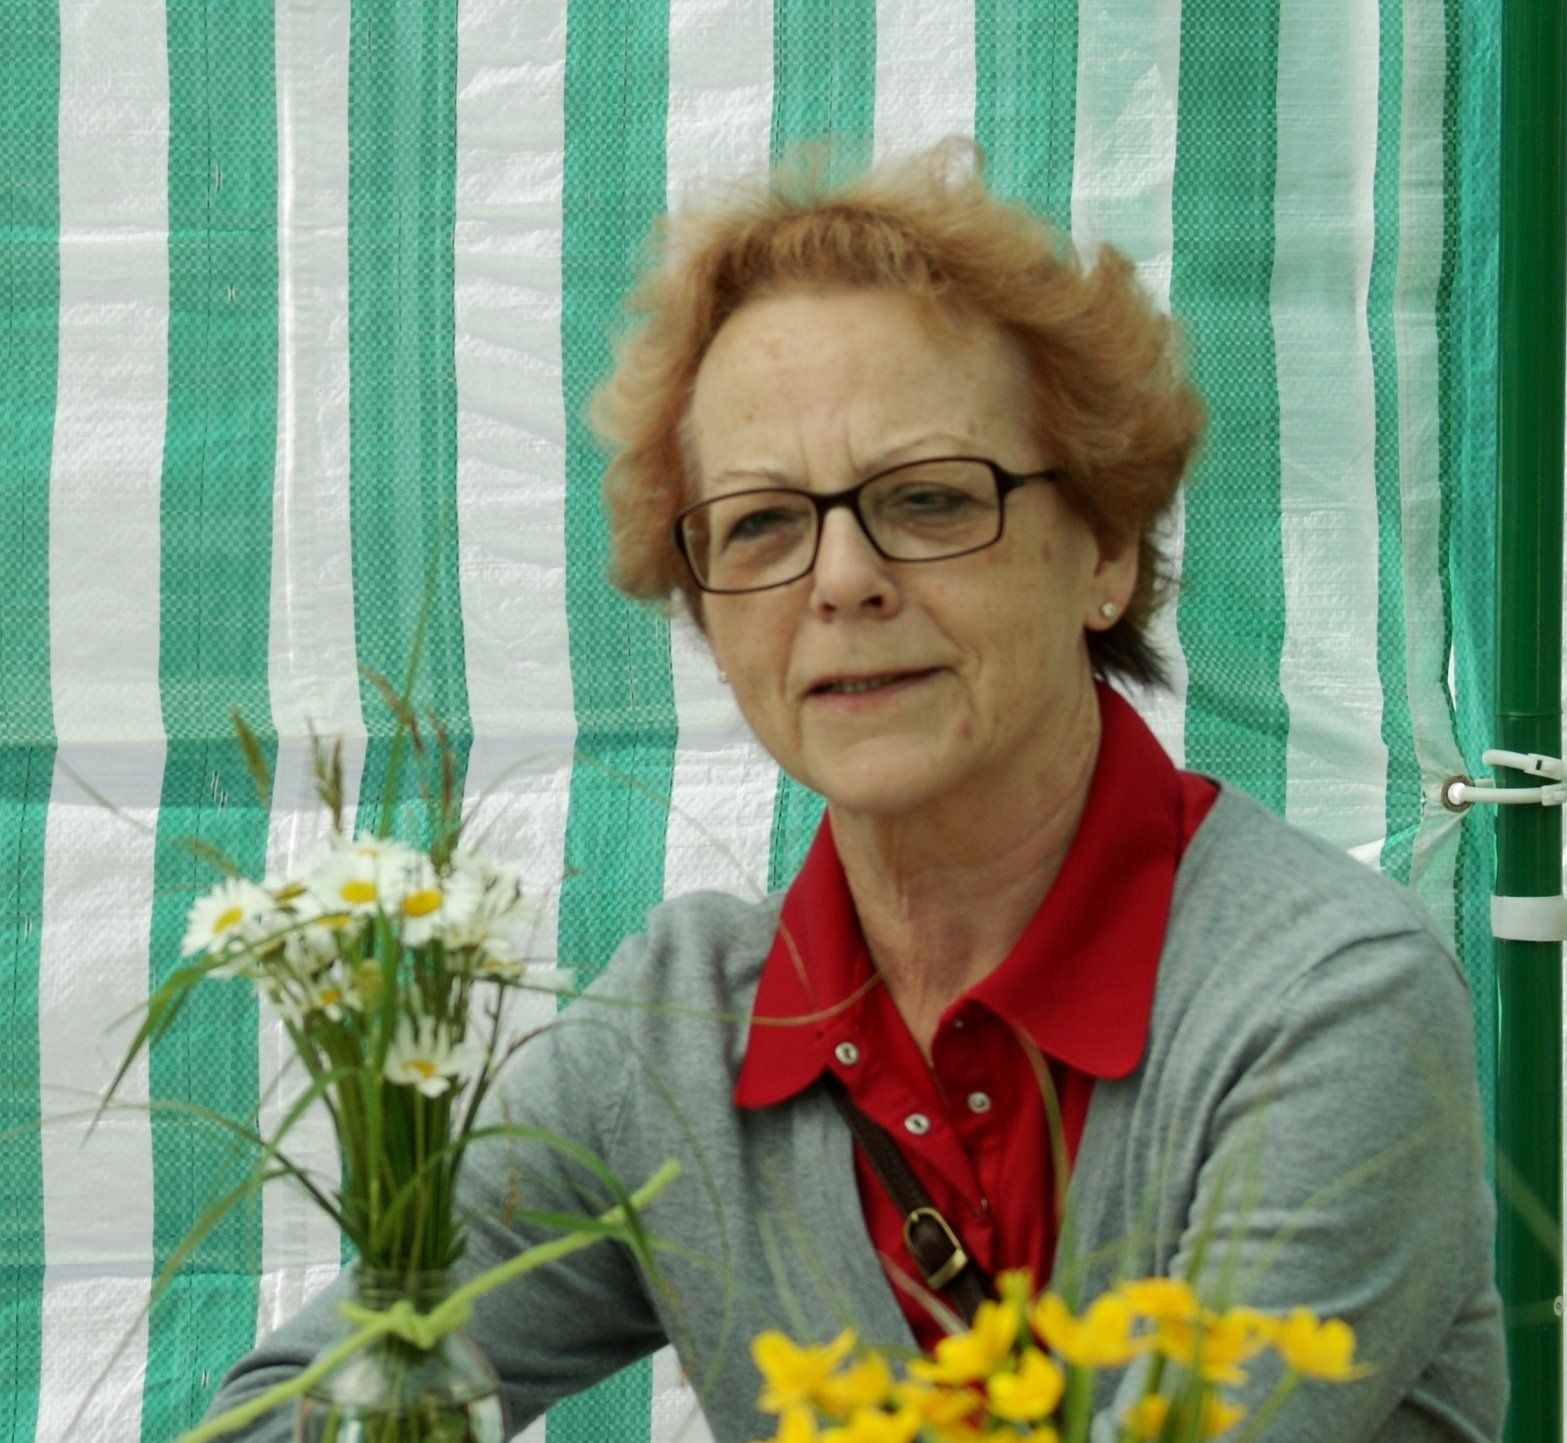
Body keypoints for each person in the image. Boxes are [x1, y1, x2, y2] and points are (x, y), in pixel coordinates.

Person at [211, 144, 1501, 1441]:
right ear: (706, 614)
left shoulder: (1322, 999)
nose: (839, 580)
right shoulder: (683, 1030)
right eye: (761, 523)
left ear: (1106, 551)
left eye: (928, 499)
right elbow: (283, 1414)